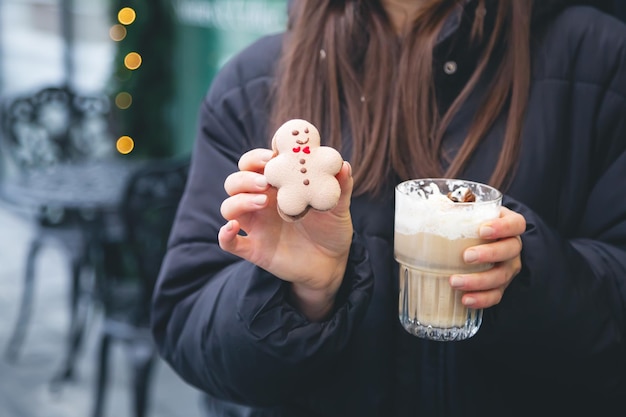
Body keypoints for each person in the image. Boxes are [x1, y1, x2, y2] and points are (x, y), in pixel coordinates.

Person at [151, 1, 626, 416]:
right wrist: (302, 295)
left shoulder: (603, 58)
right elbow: (187, 327)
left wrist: (529, 273)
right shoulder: (254, 82)